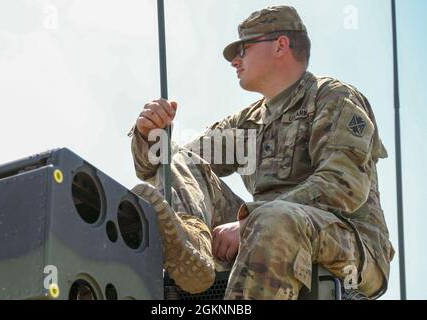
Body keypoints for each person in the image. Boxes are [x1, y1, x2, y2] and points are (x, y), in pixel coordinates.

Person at [128, 5, 394, 299]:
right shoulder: (247, 123)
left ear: (280, 45)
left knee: (274, 220)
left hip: (351, 246)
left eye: (243, 49)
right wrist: (150, 133)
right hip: (265, 229)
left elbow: (342, 187)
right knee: (179, 160)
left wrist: (247, 222)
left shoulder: (332, 98)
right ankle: (197, 252)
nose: (234, 61)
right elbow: (168, 164)